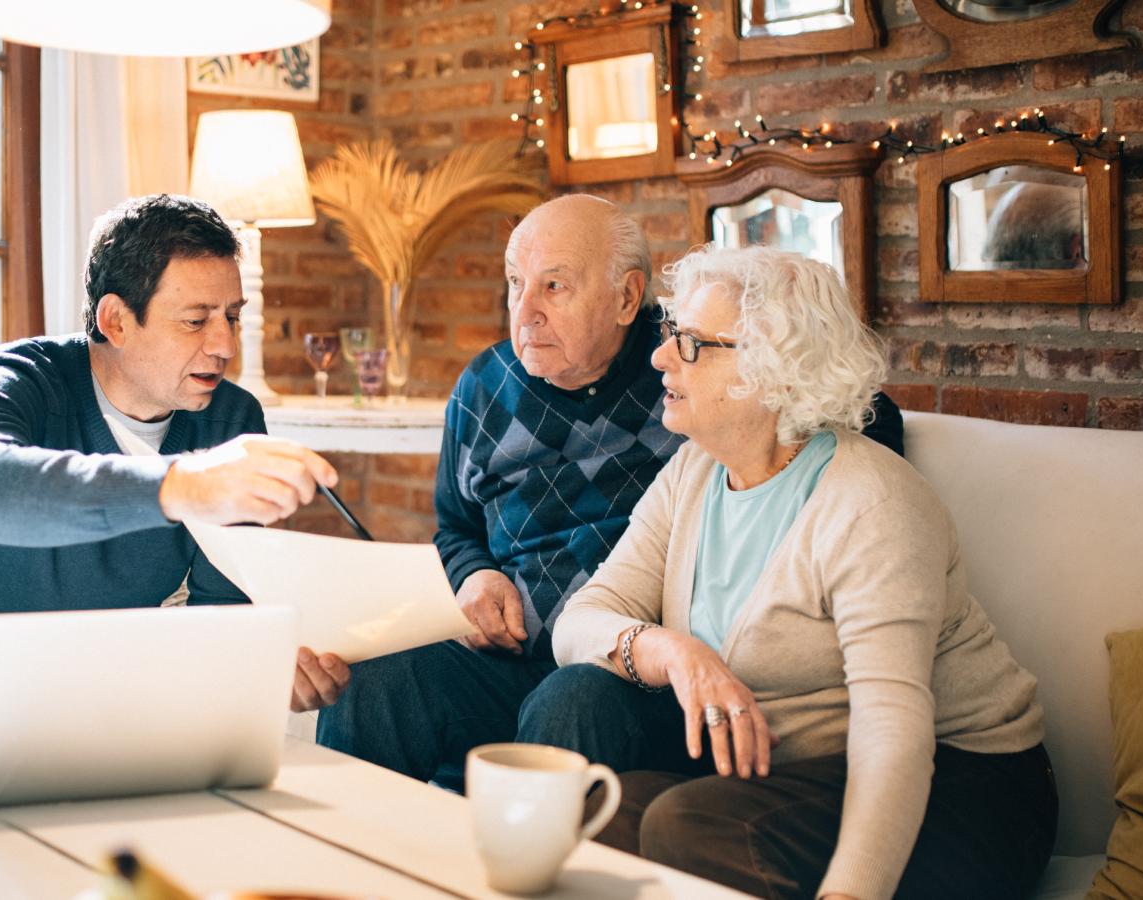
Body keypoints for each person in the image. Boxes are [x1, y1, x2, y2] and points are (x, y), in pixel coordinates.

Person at [315, 194, 902, 786]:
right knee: (375, 678)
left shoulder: (686, 368)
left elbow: (850, 406)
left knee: (573, 698)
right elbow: (456, 526)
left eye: (554, 286)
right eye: (516, 283)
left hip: (640, 673)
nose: (525, 311)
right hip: (515, 657)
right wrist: (474, 574)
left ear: (626, 297)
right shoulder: (483, 387)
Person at [527, 245, 1055, 900]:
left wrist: (852, 891)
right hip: (794, 767)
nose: (660, 358)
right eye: (671, 334)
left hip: (967, 783)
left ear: (775, 372)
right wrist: (672, 652)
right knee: (607, 809)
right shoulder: (696, 471)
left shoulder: (871, 503)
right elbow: (579, 622)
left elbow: (892, 726)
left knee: (685, 826)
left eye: (691, 344)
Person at [0, 194, 349, 765]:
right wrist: (183, 484)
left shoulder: (231, 418)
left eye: (231, 316)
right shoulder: (15, 379)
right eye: (196, 321)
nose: (224, 345)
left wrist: (263, 664)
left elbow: (222, 610)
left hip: (112, 668)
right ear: (116, 321)